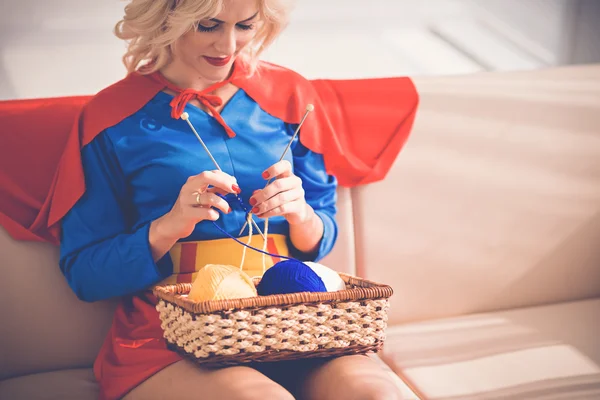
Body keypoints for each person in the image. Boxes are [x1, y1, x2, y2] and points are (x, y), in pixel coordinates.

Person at [55, 0, 407, 399]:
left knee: (378, 395)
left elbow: (321, 234)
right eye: (208, 25)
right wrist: (168, 227)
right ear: (167, 17)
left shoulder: (292, 94)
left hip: (294, 318)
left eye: (245, 25)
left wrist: (302, 215)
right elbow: (85, 273)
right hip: (174, 334)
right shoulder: (109, 116)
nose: (229, 45)